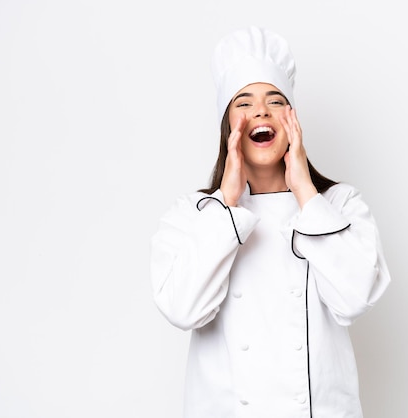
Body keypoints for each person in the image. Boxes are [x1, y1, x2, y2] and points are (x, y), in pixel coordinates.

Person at [149, 26, 391, 418]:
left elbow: (356, 297)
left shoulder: (338, 204)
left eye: (275, 100)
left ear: (292, 118)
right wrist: (226, 203)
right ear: (228, 125)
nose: (260, 111)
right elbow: (182, 309)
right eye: (243, 102)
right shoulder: (192, 215)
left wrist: (304, 192)